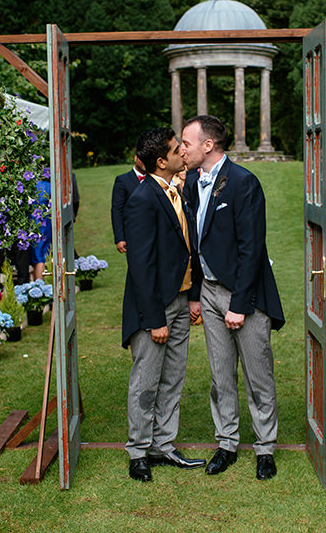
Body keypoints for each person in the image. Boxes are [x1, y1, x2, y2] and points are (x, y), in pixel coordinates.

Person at [180, 114, 284, 481]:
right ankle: (226, 442)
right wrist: (195, 294)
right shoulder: (191, 182)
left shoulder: (244, 183)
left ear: (208, 145)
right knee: (220, 374)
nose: (181, 149)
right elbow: (194, 245)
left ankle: (265, 448)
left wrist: (239, 305)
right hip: (207, 293)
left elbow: (252, 249)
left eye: (186, 143)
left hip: (245, 293)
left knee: (259, 375)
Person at [121, 127, 204, 482]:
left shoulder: (176, 192)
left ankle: (164, 445)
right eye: (176, 150)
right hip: (152, 308)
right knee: (146, 380)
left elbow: (188, 247)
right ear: (161, 162)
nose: (182, 153)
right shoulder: (141, 200)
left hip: (181, 301)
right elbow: (141, 266)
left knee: (172, 378)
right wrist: (155, 319)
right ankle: (138, 452)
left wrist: (193, 295)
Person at [111, 155, 146, 253]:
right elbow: (117, 210)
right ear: (136, 158)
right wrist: (119, 238)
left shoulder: (155, 179)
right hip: (133, 236)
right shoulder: (122, 180)